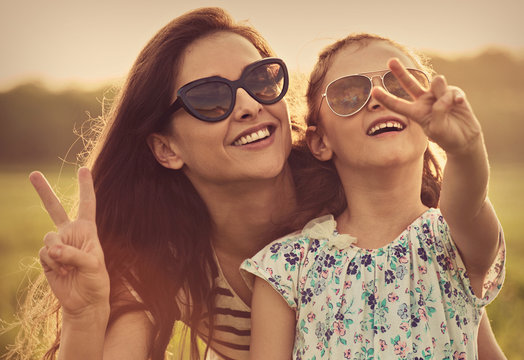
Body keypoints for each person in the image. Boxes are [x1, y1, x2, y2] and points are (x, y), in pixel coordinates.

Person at [10, 10, 505, 360]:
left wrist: (463, 148)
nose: (247, 104)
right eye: (209, 97)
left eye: (260, 79)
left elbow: (464, 329)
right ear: (166, 148)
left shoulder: (371, 197)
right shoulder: (174, 267)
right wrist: (84, 317)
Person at [243, 33, 506, 359]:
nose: (378, 98)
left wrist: (465, 149)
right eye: (349, 95)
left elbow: (469, 205)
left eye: (400, 87)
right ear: (320, 141)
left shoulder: (452, 240)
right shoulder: (285, 268)